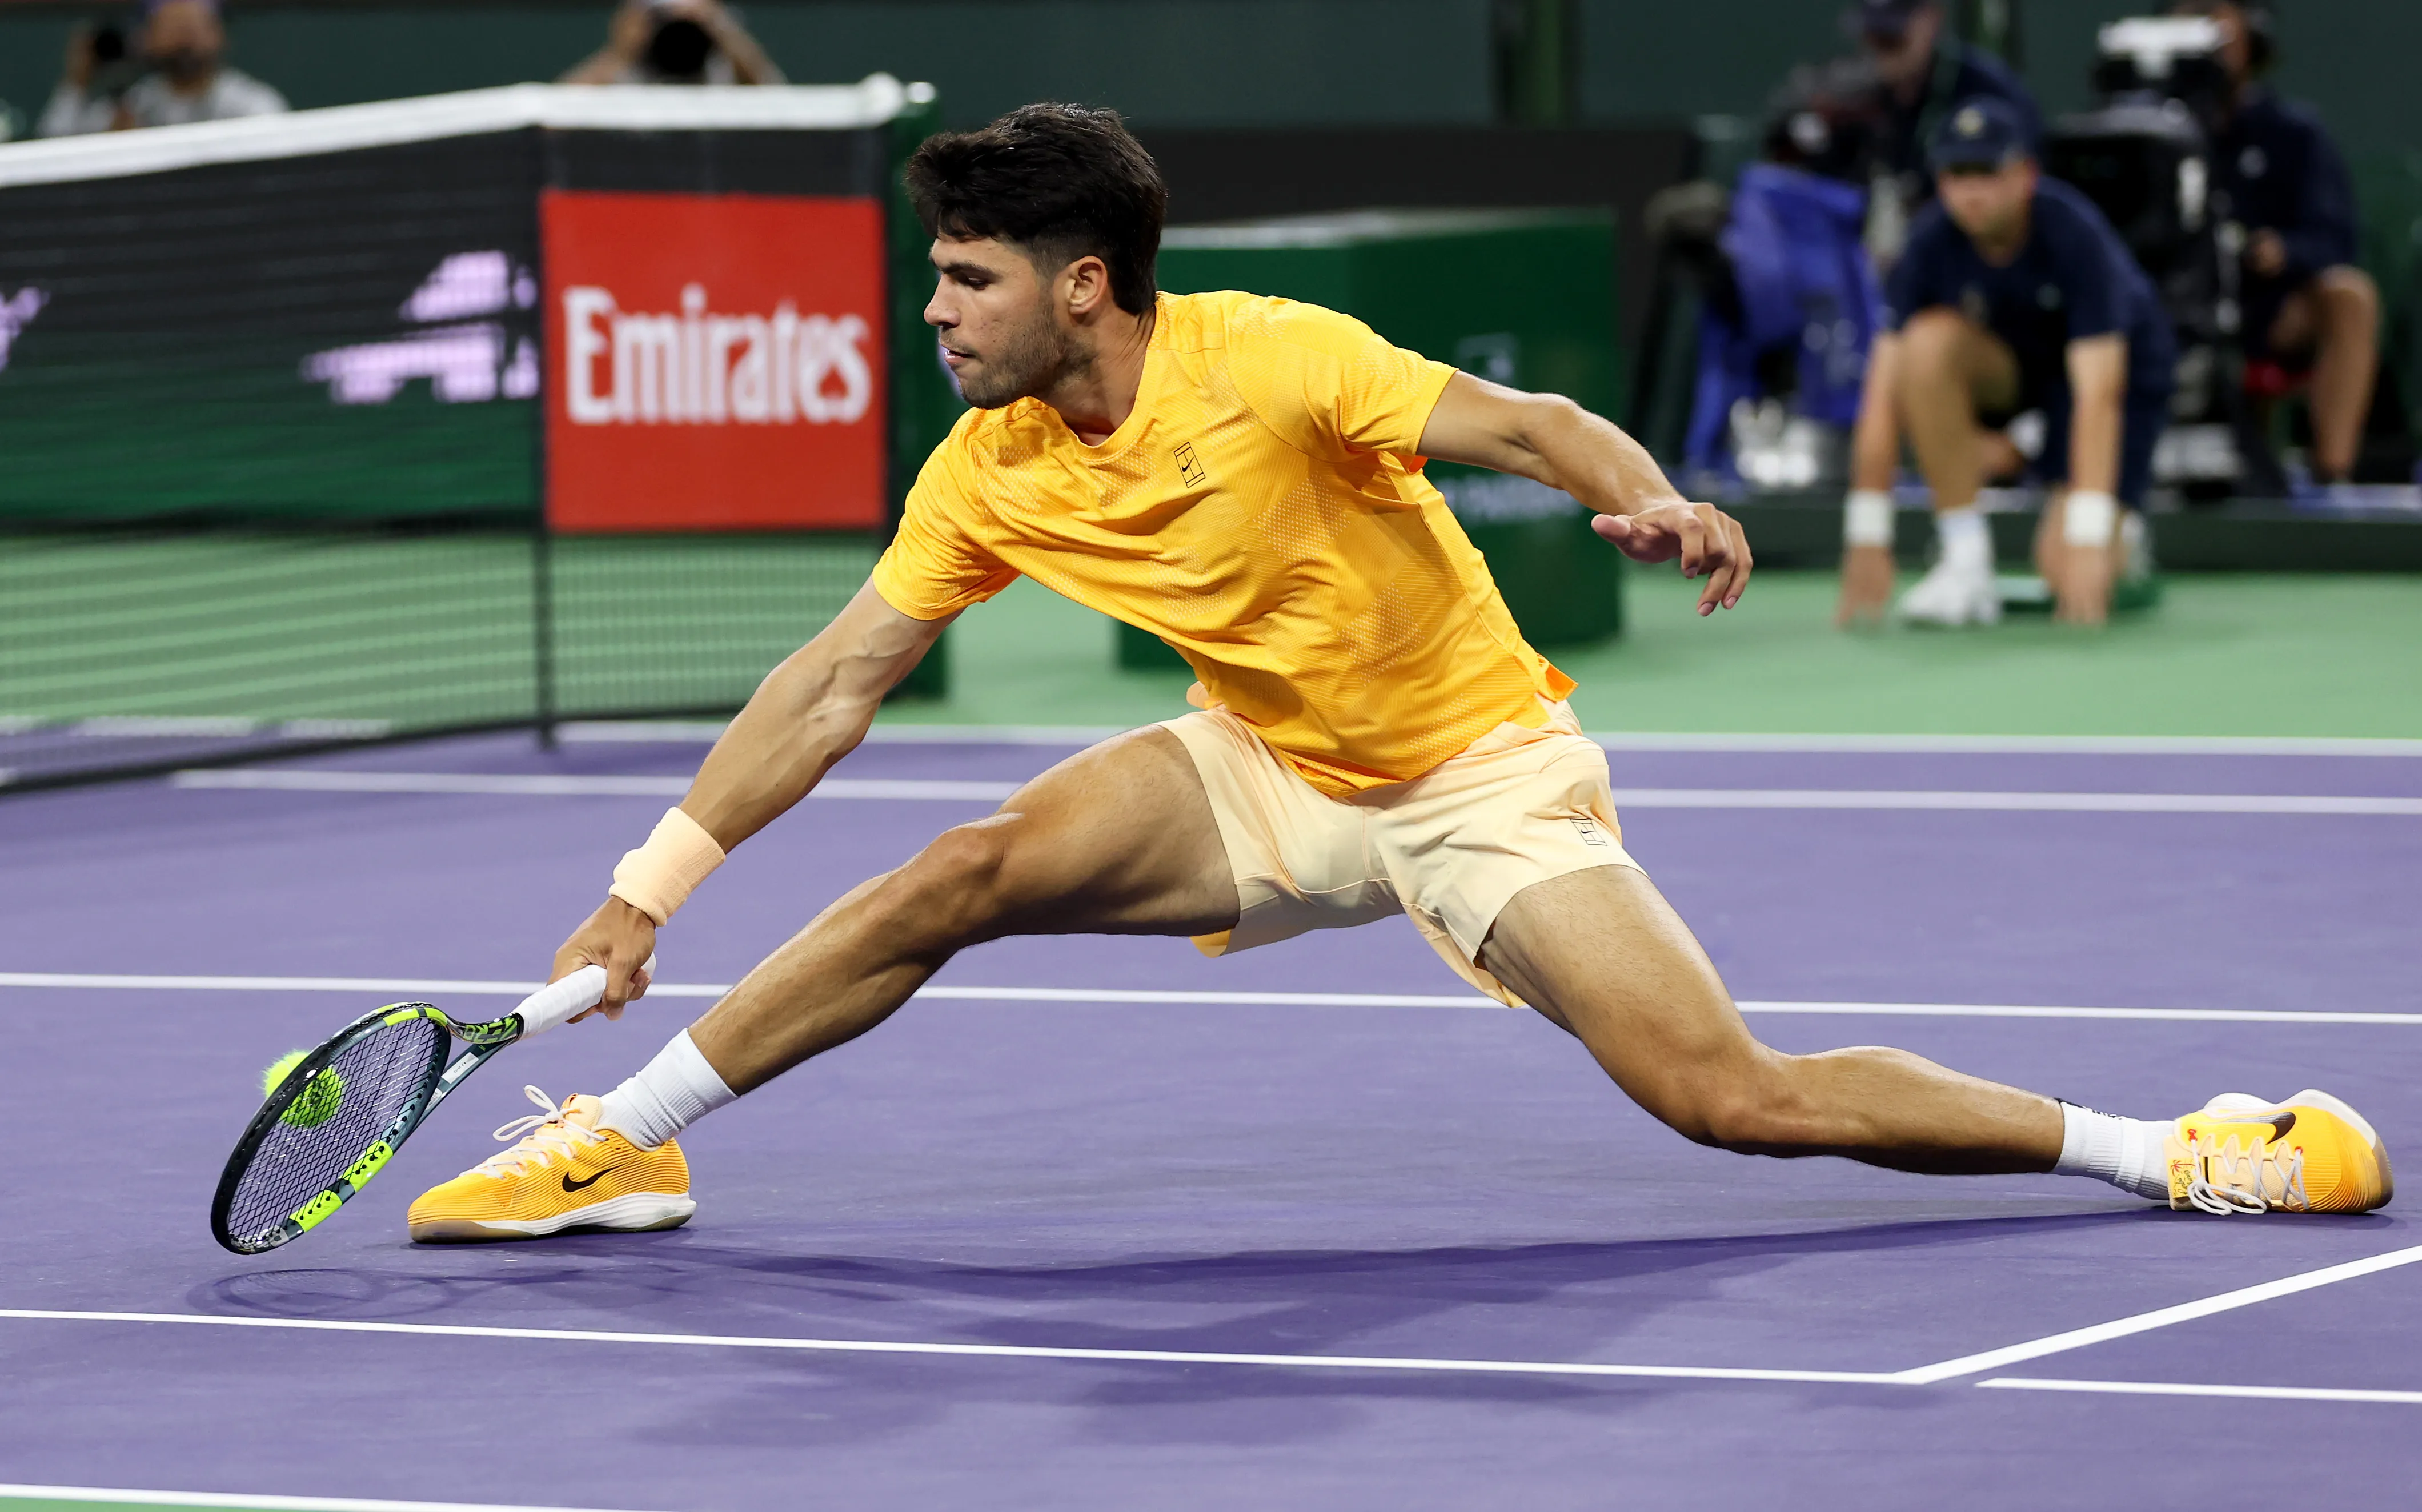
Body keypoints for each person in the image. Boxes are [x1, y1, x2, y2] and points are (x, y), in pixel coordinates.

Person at [403, 104, 2386, 1244]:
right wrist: (647, 889)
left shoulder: (1270, 358)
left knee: (1730, 1095)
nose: (937, 314)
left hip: (1476, 776)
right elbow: (837, 676)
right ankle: (625, 1130)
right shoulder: (987, 465)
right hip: (1264, 762)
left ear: (1082, 285)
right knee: (961, 868)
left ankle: (2182, 1146)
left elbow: (1524, 421)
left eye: (968, 280)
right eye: (938, 279)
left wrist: (1655, 491)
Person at [1838, 99, 2177, 629]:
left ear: (2026, 175)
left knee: (2068, 571)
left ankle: (2124, 536)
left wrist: (2089, 537)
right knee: (1926, 347)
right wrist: (1867, 534)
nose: (1971, 192)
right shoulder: (1928, 243)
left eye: (1988, 173)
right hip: (2021, 375)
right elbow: (1883, 394)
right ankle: (1965, 560)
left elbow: (2099, 395)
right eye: (1956, 174)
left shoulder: (2075, 235)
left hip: (2116, 381)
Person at [2180, 2, 2378, 490]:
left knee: (2349, 296)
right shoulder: (2151, 134)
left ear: (2253, 43)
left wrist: (2284, 251)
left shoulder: (2294, 134)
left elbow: (2335, 237)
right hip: (2173, 307)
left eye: (2223, 37)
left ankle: (2333, 476)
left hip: (2264, 309)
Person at [1850, 0, 2041, 265]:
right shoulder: (1851, 97)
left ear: (1932, 20)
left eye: (1893, 40)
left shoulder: (1987, 90)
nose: (1883, 53)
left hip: (1979, 256)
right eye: (1875, 40)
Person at [38, 0, 286, 138]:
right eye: (171, 28)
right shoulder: (134, 105)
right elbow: (55, 144)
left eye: (193, 28)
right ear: (147, 39)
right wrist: (77, 82)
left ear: (219, 36)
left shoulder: (254, 105)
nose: (184, 41)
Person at [562, 0, 786, 87]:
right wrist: (619, 53)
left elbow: (779, 102)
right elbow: (555, 110)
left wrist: (725, 32)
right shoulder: (625, 70)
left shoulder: (726, 65)